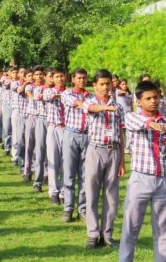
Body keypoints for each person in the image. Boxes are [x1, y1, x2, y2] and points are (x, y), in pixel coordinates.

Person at [119, 81, 166, 262]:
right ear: (138, 101)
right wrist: (149, 123)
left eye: (156, 97)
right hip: (140, 179)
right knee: (131, 227)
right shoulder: (133, 118)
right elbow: (131, 122)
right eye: (148, 98)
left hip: (163, 181)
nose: (153, 101)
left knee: (164, 230)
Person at [81, 69, 125, 249]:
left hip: (113, 151)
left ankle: (107, 234)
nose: (106, 87)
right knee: (91, 193)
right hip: (95, 150)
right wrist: (106, 107)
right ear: (95, 85)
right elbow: (90, 109)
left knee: (111, 195)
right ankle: (93, 234)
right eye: (102, 84)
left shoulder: (118, 106)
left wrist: (122, 159)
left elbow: (121, 133)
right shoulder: (89, 101)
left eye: (108, 83)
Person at [60, 68, 91, 222]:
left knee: (85, 174)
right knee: (69, 172)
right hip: (71, 134)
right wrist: (90, 105)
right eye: (79, 78)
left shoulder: (91, 96)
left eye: (84, 78)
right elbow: (77, 104)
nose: (82, 81)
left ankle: (83, 209)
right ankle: (68, 208)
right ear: (73, 79)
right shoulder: (67, 94)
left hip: (87, 135)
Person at [43, 68, 67, 205]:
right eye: (56, 76)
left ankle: (64, 192)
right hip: (54, 128)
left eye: (61, 76)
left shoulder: (70, 92)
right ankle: (53, 192)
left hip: (68, 129)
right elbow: (49, 97)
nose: (59, 79)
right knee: (53, 160)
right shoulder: (49, 90)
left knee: (66, 162)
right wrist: (64, 96)